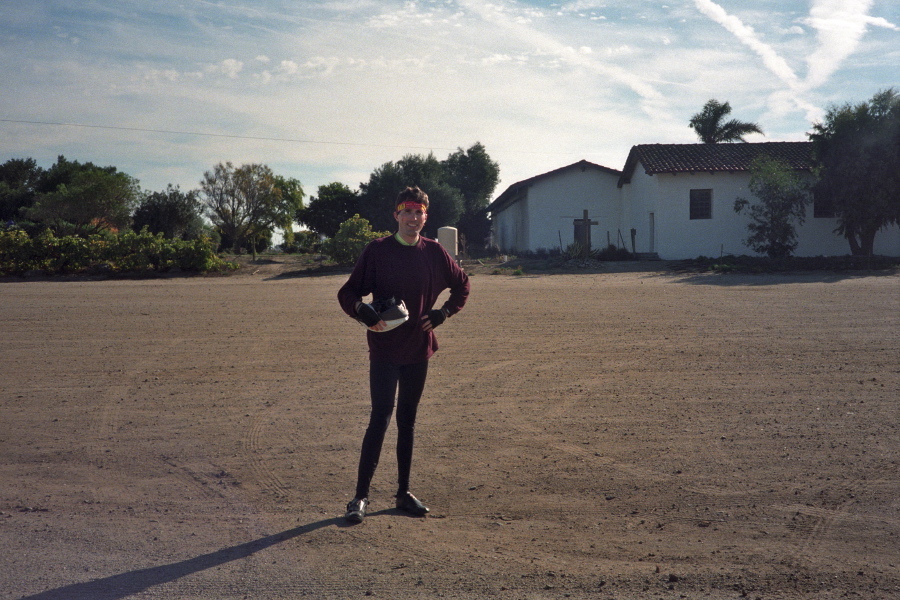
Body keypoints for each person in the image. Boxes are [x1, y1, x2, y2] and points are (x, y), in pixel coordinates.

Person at [337, 186, 470, 523]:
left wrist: (443, 313)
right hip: (384, 348)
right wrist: (361, 310)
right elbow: (348, 291)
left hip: (418, 349)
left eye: (419, 212)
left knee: (407, 421)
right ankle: (360, 497)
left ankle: (403, 492)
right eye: (407, 211)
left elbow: (463, 284)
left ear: (426, 217)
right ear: (396, 215)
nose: (413, 218)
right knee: (380, 417)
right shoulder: (378, 251)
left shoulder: (435, 253)